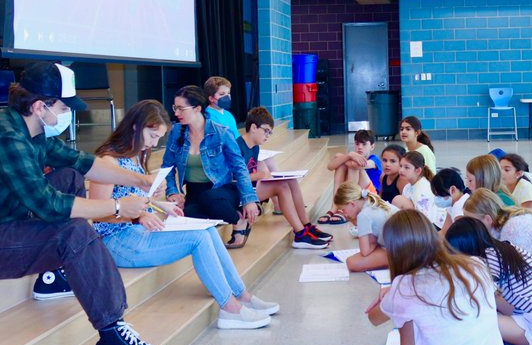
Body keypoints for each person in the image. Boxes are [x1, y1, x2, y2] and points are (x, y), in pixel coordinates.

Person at [0, 62, 179, 345]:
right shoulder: (6, 140)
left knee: (69, 174)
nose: (69, 114)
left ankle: (54, 276)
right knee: (74, 232)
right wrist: (119, 208)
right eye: (64, 106)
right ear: (40, 106)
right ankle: (112, 336)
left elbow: (82, 162)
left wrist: (140, 180)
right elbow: (49, 206)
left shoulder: (25, 127)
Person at [37, 100, 279, 330]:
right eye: (152, 136)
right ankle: (231, 309)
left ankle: (242, 295)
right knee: (198, 238)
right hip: (116, 240)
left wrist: (161, 206)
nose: (154, 144)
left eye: (158, 138)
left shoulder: (133, 155)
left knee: (205, 229)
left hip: (135, 231)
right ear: (136, 127)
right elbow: (99, 215)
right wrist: (137, 216)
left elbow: (134, 199)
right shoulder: (108, 160)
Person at [366, 210, 504, 345]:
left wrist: (389, 295)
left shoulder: (405, 286)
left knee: (406, 322)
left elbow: (374, 318)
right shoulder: (475, 265)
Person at [161, 86, 262, 250]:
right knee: (189, 214)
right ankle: (230, 215)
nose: (176, 113)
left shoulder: (221, 132)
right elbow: (167, 167)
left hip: (221, 190)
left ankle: (239, 219)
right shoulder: (176, 132)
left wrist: (249, 199)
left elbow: (240, 167)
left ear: (197, 109)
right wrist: (172, 191)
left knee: (209, 199)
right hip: (194, 191)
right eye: (175, 108)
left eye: (181, 108)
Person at [444, 217, 532, 345]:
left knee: (476, 322)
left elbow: (471, 298)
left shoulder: (488, 261)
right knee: (488, 303)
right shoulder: (501, 249)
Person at [236, 105, 331, 249]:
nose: (267, 136)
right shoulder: (237, 146)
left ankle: (306, 226)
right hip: (237, 191)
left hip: (250, 189)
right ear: (254, 127)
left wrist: (264, 175)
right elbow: (235, 178)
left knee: (290, 180)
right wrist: (262, 174)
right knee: (281, 187)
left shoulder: (254, 147)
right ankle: (300, 235)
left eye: (270, 133)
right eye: (266, 131)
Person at [463, 188, 532, 283]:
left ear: (488, 219)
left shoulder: (512, 228)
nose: (470, 227)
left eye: (472, 222)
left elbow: (507, 272)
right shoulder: (507, 222)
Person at [332, 182, 395, 272]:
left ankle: (401, 261)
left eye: (343, 209)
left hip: (405, 250)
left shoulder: (363, 215)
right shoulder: (371, 201)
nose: (344, 214)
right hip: (413, 240)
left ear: (352, 204)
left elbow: (365, 252)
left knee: (351, 262)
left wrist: (373, 243)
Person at [391, 148, 443, 226]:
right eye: (400, 166)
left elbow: (426, 219)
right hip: (420, 223)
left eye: (406, 167)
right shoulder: (408, 187)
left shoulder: (423, 188)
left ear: (418, 171)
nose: (401, 170)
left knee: (398, 200)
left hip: (433, 226)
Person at [326, 128, 381, 195]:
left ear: (372, 147)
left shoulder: (374, 159)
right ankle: (336, 201)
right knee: (342, 164)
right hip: (359, 192)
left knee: (353, 166)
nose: (360, 147)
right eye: (357, 144)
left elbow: (356, 165)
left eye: (364, 144)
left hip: (373, 196)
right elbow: (330, 167)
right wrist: (349, 155)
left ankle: (347, 199)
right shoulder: (351, 157)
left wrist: (343, 156)